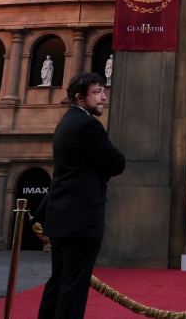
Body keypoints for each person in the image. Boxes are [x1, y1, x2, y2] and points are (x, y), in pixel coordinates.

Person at [38, 72, 125, 319]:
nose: (103, 98)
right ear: (79, 97)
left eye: (103, 91)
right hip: (81, 220)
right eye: (97, 92)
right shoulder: (88, 125)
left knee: (58, 283)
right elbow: (117, 162)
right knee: (73, 290)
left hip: (62, 218)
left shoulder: (65, 122)